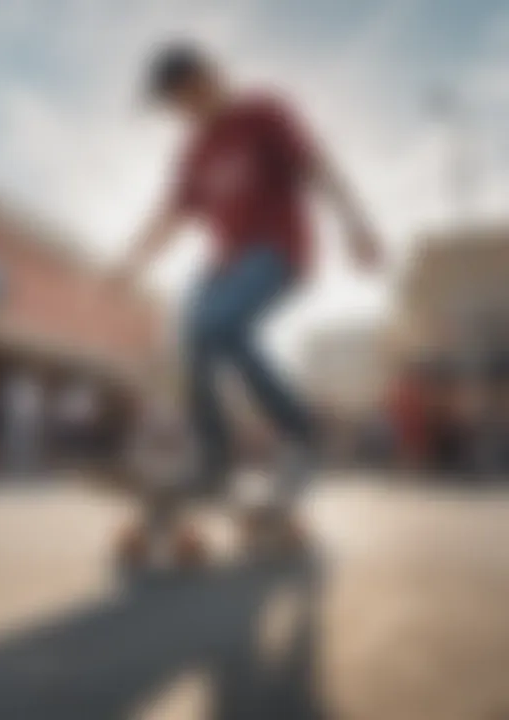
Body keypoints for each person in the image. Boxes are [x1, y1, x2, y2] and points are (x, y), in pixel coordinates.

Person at [113, 43, 382, 539]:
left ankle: (300, 431)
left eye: (186, 97)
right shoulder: (194, 150)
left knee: (213, 324)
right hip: (224, 266)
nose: (184, 112)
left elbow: (316, 166)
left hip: (277, 252)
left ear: (209, 77)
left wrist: (356, 223)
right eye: (174, 106)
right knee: (193, 339)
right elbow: (171, 215)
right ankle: (214, 464)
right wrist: (129, 263)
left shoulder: (263, 113)